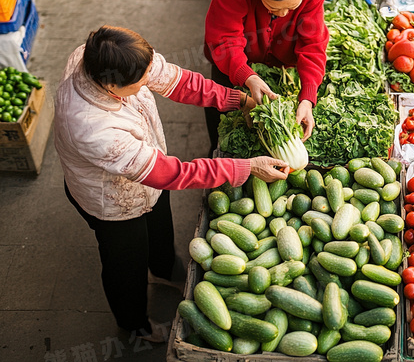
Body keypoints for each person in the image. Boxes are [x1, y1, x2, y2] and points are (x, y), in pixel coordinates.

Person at [54, 26, 289, 343]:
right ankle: (135, 325)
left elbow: (179, 83)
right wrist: (246, 167)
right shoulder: (92, 128)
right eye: (143, 79)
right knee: (126, 262)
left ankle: (166, 270)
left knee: (160, 226)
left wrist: (238, 100)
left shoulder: (104, 57)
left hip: (146, 176)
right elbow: (173, 174)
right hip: (111, 201)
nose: (150, 78)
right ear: (112, 86)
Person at [204, 0, 328, 155]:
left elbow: (313, 46)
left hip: (279, 65)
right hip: (231, 61)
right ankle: (215, 153)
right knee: (223, 117)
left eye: (291, 8)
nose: (282, 14)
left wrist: (307, 96)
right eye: (273, 7)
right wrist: (246, 76)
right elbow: (225, 40)